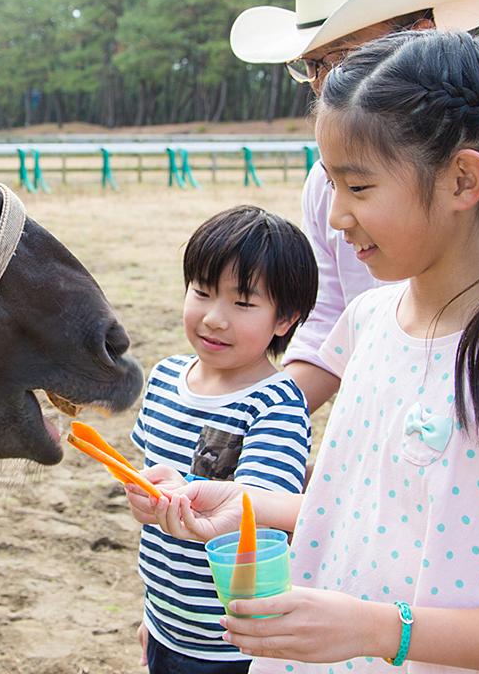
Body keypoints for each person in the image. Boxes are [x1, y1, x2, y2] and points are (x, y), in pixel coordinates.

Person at [129, 31, 479, 673]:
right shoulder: (369, 321)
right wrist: (246, 506)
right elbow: (365, 505)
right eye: (331, 184)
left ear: (463, 179)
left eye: (358, 187)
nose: (336, 216)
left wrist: (380, 631)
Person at [229, 0, 479, 412]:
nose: (327, 86)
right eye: (314, 64)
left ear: (423, 35)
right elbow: (330, 320)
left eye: (346, 57)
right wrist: (258, 420)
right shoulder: (326, 187)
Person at [128, 205, 318, 673]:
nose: (214, 318)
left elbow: (262, 510)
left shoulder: (275, 403)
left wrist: (184, 495)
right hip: (166, 620)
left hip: (234, 643)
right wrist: (145, 498)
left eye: (243, 303)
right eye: (203, 292)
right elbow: (152, 482)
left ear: (285, 319)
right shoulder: (165, 376)